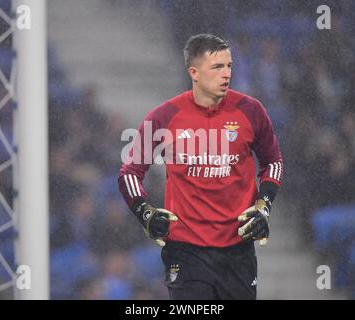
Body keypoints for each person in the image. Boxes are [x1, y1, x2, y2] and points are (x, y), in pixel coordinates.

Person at [118, 34, 283, 300]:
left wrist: (264, 204)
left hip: (238, 248)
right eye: (217, 67)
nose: (226, 74)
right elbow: (129, 174)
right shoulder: (164, 116)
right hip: (185, 251)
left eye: (229, 66)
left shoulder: (251, 111)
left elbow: (272, 161)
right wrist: (144, 212)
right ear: (194, 72)